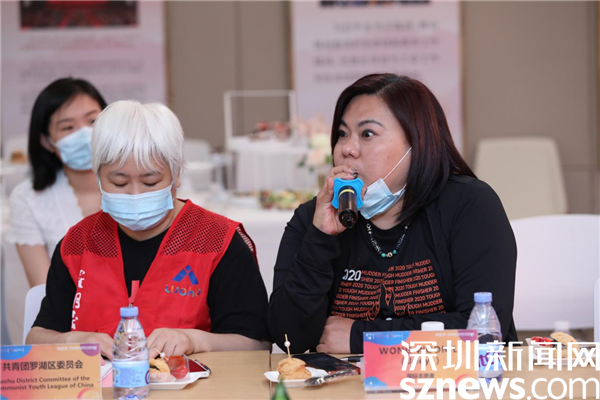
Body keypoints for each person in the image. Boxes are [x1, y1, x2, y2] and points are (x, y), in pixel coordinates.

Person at [269, 74, 517, 354]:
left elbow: (483, 331)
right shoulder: (315, 217)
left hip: (453, 379)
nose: (346, 149)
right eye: (342, 134)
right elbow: (289, 337)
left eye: (367, 134)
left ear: (417, 143)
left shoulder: (469, 205)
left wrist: (363, 337)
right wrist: (320, 238)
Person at [26, 100, 271, 358]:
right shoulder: (79, 244)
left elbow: (257, 345)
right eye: (119, 183)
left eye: (151, 182)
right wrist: (72, 339)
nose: (135, 194)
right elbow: (36, 338)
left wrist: (195, 340)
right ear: (98, 177)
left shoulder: (217, 241)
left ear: (176, 175)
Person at [8, 78, 106, 287]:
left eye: (92, 121)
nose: (84, 134)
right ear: (47, 141)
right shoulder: (27, 199)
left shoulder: (140, 181)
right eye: (68, 127)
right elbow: (44, 291)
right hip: (67, 308)